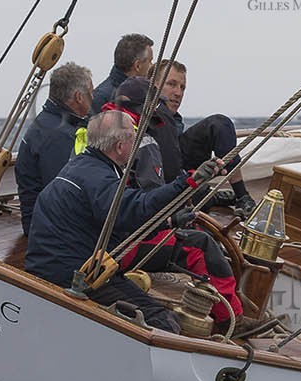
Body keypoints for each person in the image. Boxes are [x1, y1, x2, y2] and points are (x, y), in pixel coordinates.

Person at [26, 111, 226, 333]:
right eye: (134, 137)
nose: (137, 143)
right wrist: (188, 182)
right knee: (163, 322)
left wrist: (169, 222)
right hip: (75, 277)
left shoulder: (82, 166)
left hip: (55, 266)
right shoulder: (99, 178)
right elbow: (137, 207)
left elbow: (122, 222)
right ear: (120, 146)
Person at [111, 77, 247, 329]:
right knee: (201, 244)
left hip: (101, 236)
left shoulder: (98, 131)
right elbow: (150, 203)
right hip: (124, 244)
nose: (177, 93)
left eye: (182, 87)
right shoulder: (141, 141)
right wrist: (173, 218)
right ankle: (231, 320)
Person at [155, 59, 254, 212]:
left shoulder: (174, 118)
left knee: (219, 124)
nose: (178, 93)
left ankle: (242, 196)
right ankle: (207, 197)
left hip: (181, 167)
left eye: (182, 87)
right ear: (154, 85)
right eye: (171, 84)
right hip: (161, 177)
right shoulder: (146, 114)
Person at [16, 62, 93, 235]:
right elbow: (63, 193)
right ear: (79, 97)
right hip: (49, 229)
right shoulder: (58, 136)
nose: (93, 98)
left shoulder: (53, 123)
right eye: (91, 92)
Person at [91, 33, 154, 113]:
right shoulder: (101, 99)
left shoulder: (146, 94)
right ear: (137, 65)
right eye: (150, 61)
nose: (152, 66)